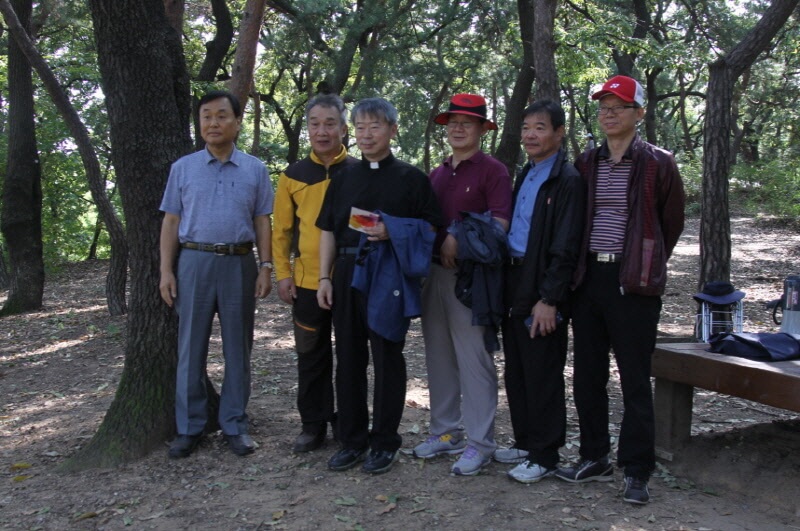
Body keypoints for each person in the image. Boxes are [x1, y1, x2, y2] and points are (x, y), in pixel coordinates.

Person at [555, 75, 685, 504]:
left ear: (639, 113)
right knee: (588, 374)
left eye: (619, 107)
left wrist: (644, 263)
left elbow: (670, 222)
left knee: (634, 378)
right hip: (588, 279)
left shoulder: (658, 163)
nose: (609, 114)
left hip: (633, 283)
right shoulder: (586, 162)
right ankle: (594, 456)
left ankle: (637, 468)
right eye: (604, 107)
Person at [316, 97, 442, 475]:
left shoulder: (411, 178)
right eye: (360, 127)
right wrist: (324, 277)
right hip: (346, 270)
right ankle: (352, 440)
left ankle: (385, 442)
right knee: (349, 357)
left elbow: (432, 228)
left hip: (388, 273)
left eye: (375, 126)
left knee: (388, 356)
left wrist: (394, 230)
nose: (367, 134)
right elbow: (327, 231)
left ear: (392, 130)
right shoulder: (342, 178)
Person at [159, 90, 274, 458]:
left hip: (239, 262)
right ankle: (189, 427)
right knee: (190, 348)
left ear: (237, 122)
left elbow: (262, 220)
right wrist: (166, 271)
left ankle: (235, 424)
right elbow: (171, 221)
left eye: (222, 115)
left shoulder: (255, 169)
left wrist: (265, 266)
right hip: (193, 262)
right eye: (206, 116)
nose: (213, 123)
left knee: (238, 347)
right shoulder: (183, 168)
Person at [412, 94, 511, 476]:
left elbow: (500, 224)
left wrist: (458, 234)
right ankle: (446, 432)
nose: (457, 128)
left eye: (466, 122)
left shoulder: (493, 171)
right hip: (433, 274)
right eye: (452, 122)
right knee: (438, 357)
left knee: (475, 360)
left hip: (472, 280)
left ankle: (481, 443)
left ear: (483, 128)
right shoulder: (437, 173)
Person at [497, 100, 586, 483]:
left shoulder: (566, 179)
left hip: (542, 284)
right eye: (526, 128)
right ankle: (525, 442)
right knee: (517, 366)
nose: (531, 135)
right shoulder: (527, 172)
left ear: (559, 133)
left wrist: (550, 299)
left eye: (540, 127)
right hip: (514, 277)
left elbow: (566, 245)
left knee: (542, 370)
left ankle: (545, 454)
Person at [272, 93, 358, 453]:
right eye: (314, 124)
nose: (322, 131)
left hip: (350, 279)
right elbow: (281, 231)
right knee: (311, 355)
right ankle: (313, 424)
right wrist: (282, 273)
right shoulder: (293, 175)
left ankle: (348, 423)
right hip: (306, 282)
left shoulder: (358, 170)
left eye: (330, 124)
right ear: (307, 128)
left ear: (344, 128)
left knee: (351, 356)